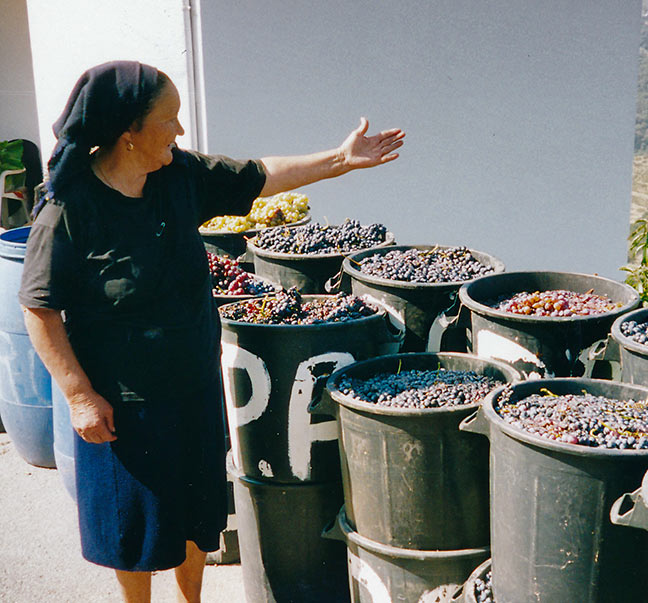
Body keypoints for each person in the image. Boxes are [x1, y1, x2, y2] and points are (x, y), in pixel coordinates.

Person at [18, 60, 404, 603]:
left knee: (197, 516)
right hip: (124, 405)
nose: (179, 131)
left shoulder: (180, 176)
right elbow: (39, 308)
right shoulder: (70, 207)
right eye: (168, 120)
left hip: (193, 386)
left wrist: (341, 159)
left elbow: (260, 174)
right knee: (135, 531)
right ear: (128, 133)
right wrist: (80, 396)